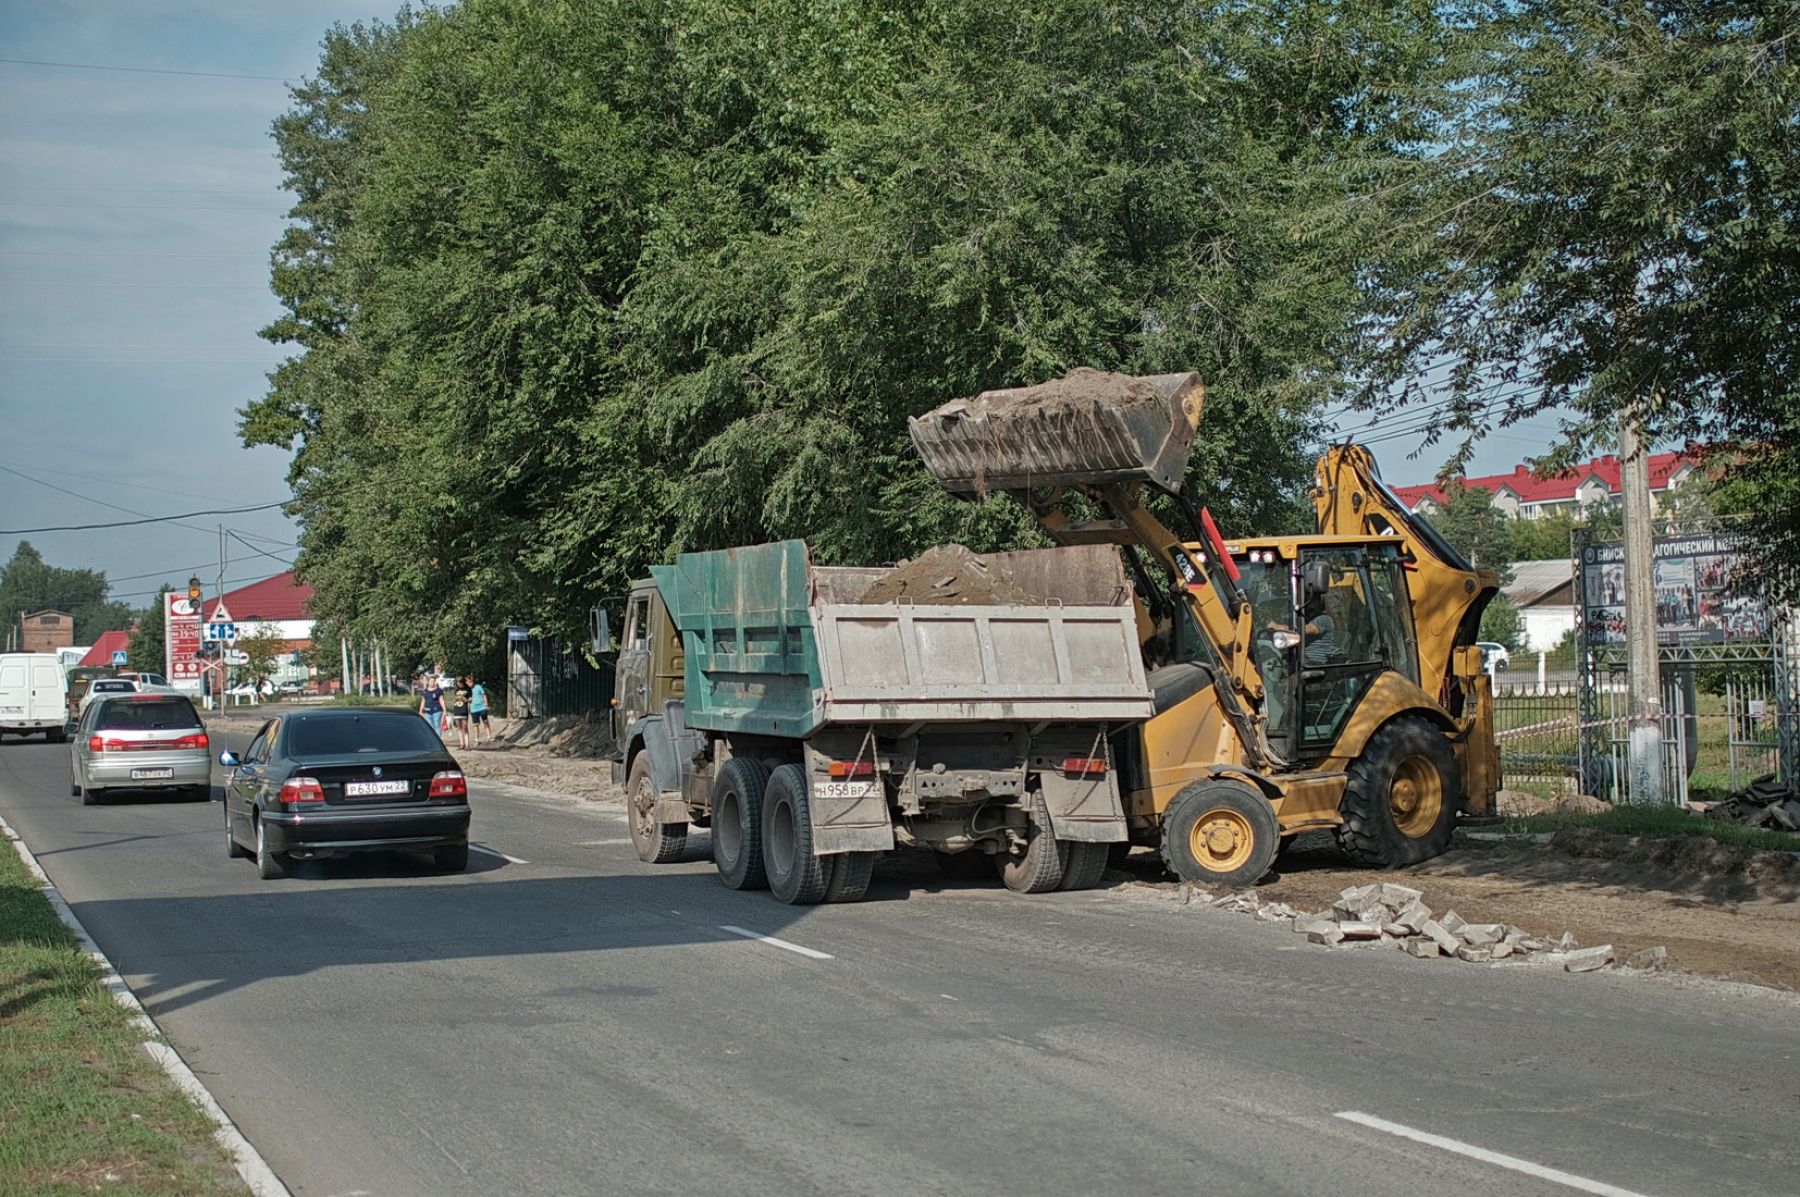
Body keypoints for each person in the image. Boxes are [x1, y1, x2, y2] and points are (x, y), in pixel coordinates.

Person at [449, 675, 472, 750]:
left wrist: (465, 699)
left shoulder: (468, 689)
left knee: (465, 727)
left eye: (459, 682)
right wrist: (456, 698)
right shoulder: (456, 689)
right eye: (457, 682)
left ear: (462, 682)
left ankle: (467, 744)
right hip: (456, 709)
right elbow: (453, 699)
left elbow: (470, 700)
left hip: (464, 709)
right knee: (458, 727)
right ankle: (461, 744)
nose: (458, 684)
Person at [468, 675, 490, 745]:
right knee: (475, 725)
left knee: (485, 722)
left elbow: (484, 695)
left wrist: (486, 705)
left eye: (471, 682)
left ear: (473, 681)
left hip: (482, 708)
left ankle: (489, 737)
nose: (470, 683)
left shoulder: (478, 687)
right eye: (468, 682)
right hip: (474, 710)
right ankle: (476, 740)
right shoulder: (467, 690)